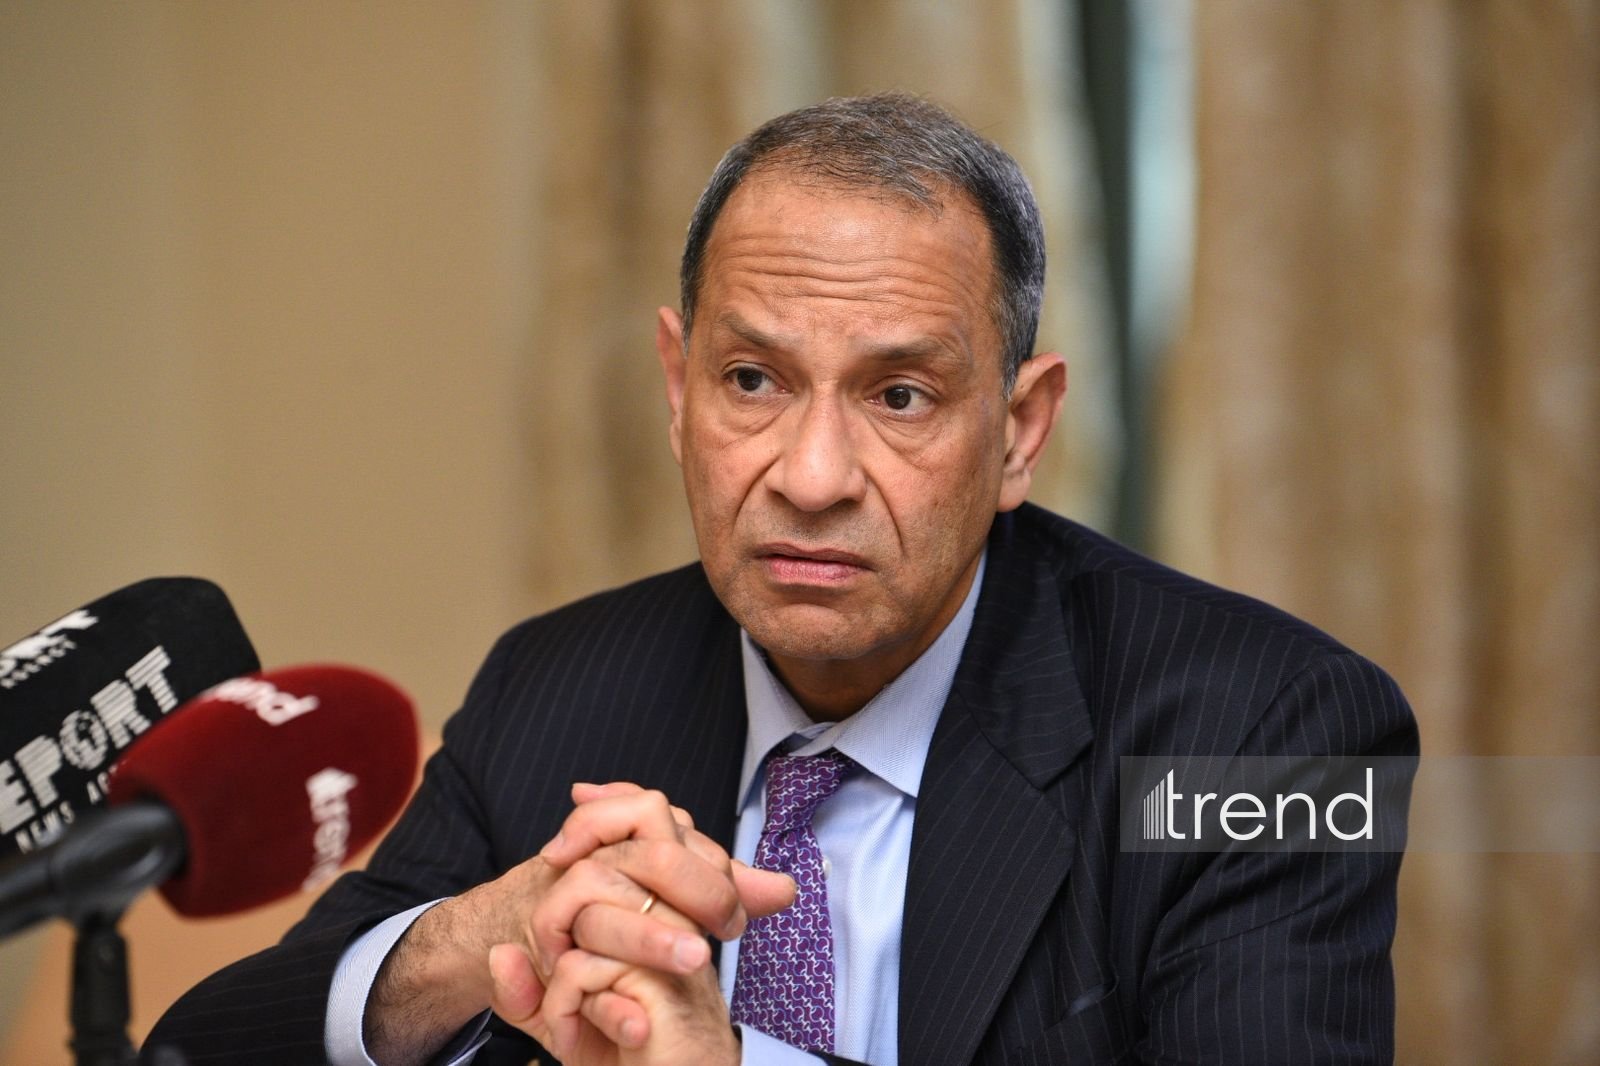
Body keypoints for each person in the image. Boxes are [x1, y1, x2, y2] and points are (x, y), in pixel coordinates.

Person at [144, 93, 1416, 1066]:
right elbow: (203, 1049)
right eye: (751, 381)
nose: (810, 476)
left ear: (1020, 433)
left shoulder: (1267, 738)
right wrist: (485, 936)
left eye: (900, 395)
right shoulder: (557, 686)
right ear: (675, 387)